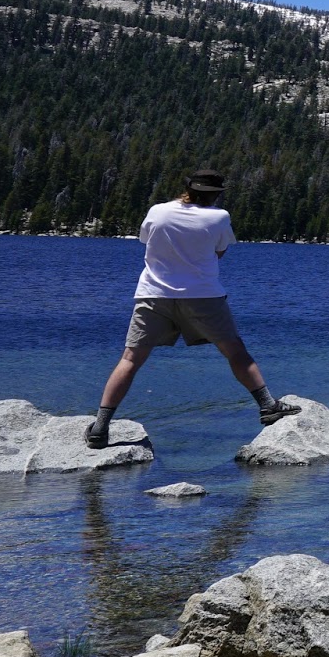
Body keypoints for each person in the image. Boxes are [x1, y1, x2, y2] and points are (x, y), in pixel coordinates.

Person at [85, 168, 300, 448]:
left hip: (153, 294)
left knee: (130, 360)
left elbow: (146, 241)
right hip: (203, 296)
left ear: (188, 188)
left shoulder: (158, 211)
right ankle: (268, 406)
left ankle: (100, 428)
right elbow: (219, 252)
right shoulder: (219, 217)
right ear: (216, 195)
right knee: (235, 352)